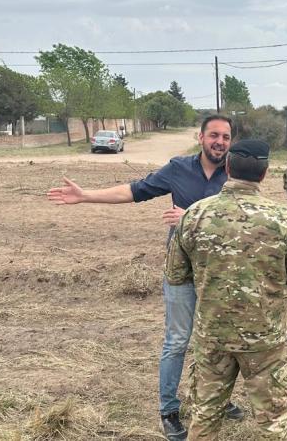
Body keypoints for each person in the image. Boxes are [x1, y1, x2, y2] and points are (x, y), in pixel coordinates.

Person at [46, 114, 243, 440]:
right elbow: (135, 190)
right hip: (182, 270)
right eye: (214, 135)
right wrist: (86, 195)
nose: (219, 142)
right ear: (200, 137)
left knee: (217, 342)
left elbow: (242, 221)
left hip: (220, 272)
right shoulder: (178, 168)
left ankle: (216, 399)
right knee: (178, 341)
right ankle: (169, 409)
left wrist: (191, 217)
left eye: (225, 137)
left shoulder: (235, 174)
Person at [166, 139, 287, 440]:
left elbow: (174, 274)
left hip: (213, 338)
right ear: (264, 174)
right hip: (265, 341)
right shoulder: (282, 218)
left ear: (228, 167)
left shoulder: (194, 216)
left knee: (205, 418)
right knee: (272, 425)